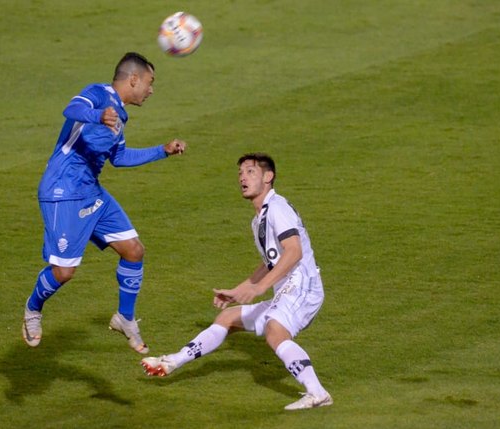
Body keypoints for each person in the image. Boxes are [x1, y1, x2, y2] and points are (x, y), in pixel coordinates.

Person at [22, 52, 187, 353]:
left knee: (134, 250)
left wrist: (163, 150)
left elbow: (120, 158)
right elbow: (70, 109)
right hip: (63, 191)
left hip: (91, 192)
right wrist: (97, 115)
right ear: (133, 79)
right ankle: (33, 309)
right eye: (149, 83)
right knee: (64, 272)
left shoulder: (120, 116)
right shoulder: (99, 94)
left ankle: (125, 317)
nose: (151, 90)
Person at [141, 153, 332, 411]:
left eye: (250, 172)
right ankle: (172, 361)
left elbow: (294, 251)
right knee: (227, 317)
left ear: (268, 177)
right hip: (288, 288)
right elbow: (270, 261)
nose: (242, 177)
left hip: (302, 286)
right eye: (240, 173)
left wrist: (259, 288)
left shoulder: (277, 208)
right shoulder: (260, 218)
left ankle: (317, 393)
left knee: (275, 330)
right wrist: (241, 289)